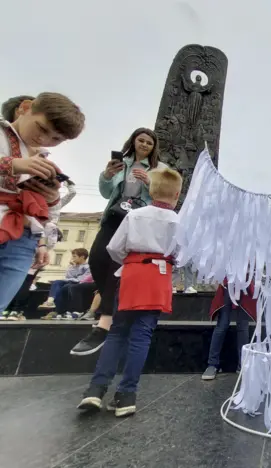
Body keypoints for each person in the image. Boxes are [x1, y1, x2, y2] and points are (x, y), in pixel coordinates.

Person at [77, 167, 182, 417]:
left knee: (117, 332)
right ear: (177, 195)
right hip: (159, 277)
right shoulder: (179, 221)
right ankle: (126, 396)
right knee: (142, 335)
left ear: (151, 190)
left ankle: (96, 389)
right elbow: (182, 255)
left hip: (132, 274)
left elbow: (115, 248)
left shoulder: (136, 215)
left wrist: (132, 261)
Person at [71, 128, 166, 356]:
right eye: (141, 140)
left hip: (135, 220)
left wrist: (149, 183)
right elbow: (106, 193)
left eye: (149, 143)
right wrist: (105, 175)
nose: (144, 145)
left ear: (154, 148)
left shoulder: (158, 170)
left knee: (116, 266)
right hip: (113, 217)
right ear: (133, 141)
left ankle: (104, 322)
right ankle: (116, 306)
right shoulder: (120, 163)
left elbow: (162, 196)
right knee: (96, 260)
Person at [0, 92, 85, 313]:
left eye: (56, 139)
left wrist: (50, 198)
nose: (44, 139)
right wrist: (13, 165)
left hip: (24, 238)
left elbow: (50, 211)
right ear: (26, 108)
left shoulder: (43, 159)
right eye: (42, 128)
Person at [202, 279, 256, 380]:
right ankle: (212, 364)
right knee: (222, 326)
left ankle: (243, 365)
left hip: (244, 284)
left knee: (243, 326)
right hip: (227, 283)